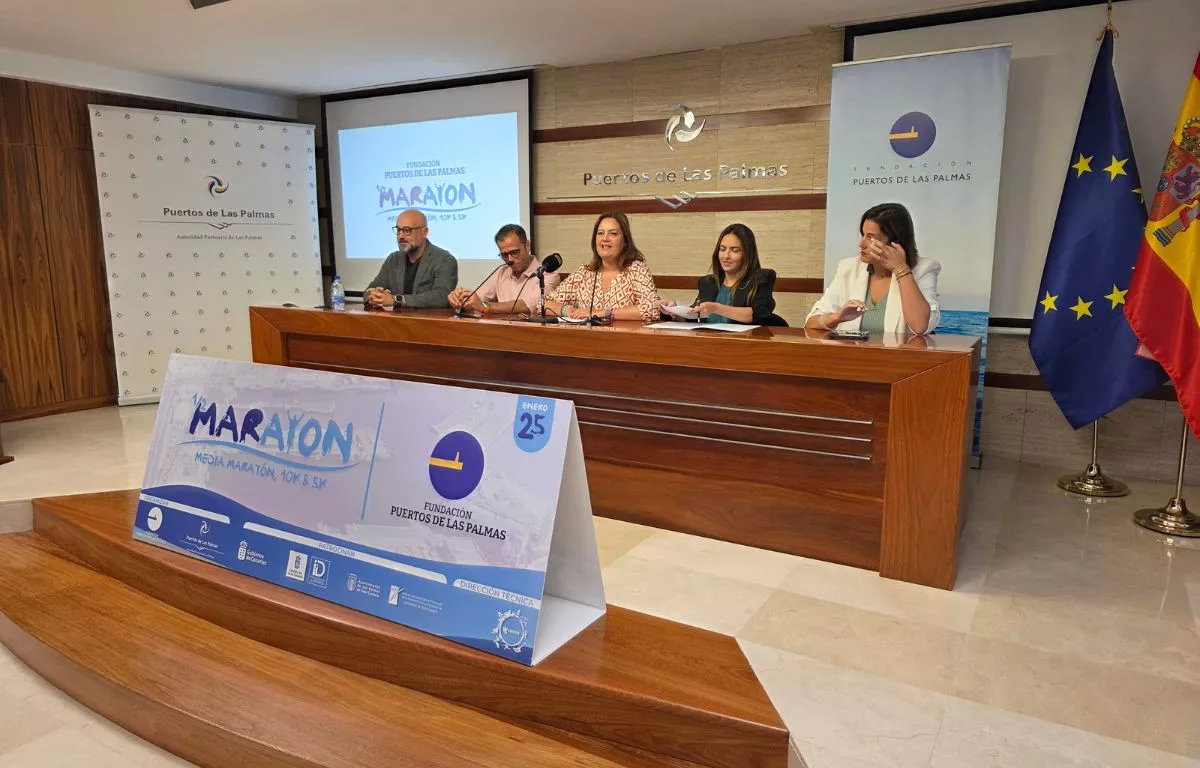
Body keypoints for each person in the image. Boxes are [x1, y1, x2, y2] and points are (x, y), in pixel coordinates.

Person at [805, 202, 940, 335]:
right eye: (862, 235)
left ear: (894, 242)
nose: (861, 243)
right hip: (852, 355)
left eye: (871, 237)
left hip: (899, 356)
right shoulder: (848, 268)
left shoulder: (924, 269)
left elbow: (920, 327)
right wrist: (836, 317)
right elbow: (811, 323)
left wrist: (901, 269)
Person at [543, 212, 659, 324]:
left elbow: (651, 309)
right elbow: (544, 303)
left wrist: (602, 313)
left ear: (625, 241)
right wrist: (570, 311)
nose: (605, 238)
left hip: (624, 341)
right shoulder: (585, 273)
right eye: (600, 233)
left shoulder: (636, 270)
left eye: (613, 233)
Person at [447, 224, 561, 315]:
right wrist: (461, 299)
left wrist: (485, 307)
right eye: (504, 255)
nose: (509, 259)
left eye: (515, 252)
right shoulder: (501, 272)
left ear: (527, 246)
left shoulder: (548, 275)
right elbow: (478, 298)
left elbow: (531, 304)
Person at [364, 209, 458, 310]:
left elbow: (442, 297)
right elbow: (369, 290)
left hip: (429, 323)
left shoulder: (444, 260)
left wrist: (396, 300)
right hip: (396, 322)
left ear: (424, 232)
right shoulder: (393, 259)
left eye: (407, 230)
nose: (401, 236)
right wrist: (375, 296)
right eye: (398, 230)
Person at [689, 223, 780, 325]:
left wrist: (716, 308)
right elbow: (694, 317)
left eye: (735, 250)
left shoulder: (761, 278)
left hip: (745, 340)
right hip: (709, 339)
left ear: (747, 254)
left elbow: (760, 314)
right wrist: (673, 312)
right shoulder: (708, 282)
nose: (726, 256)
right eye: (722, 249)